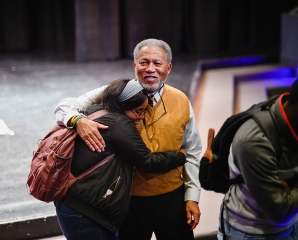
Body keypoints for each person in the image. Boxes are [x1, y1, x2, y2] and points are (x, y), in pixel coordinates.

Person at [55, 38, 202, 239]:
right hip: (128, 202)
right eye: (144, 62)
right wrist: (78, 120)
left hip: (172, 198)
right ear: (134, 66)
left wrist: (192, 197)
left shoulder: (181, 100)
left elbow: (192, 151)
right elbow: (64, 106)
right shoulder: (116, 93)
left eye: (157, 63)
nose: (150, 68)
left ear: (168, 68)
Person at [216, 79, 298, 240]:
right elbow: (280, 211)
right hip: (253, 233)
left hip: (291, 224)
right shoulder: (254, 141)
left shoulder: (291, 119)